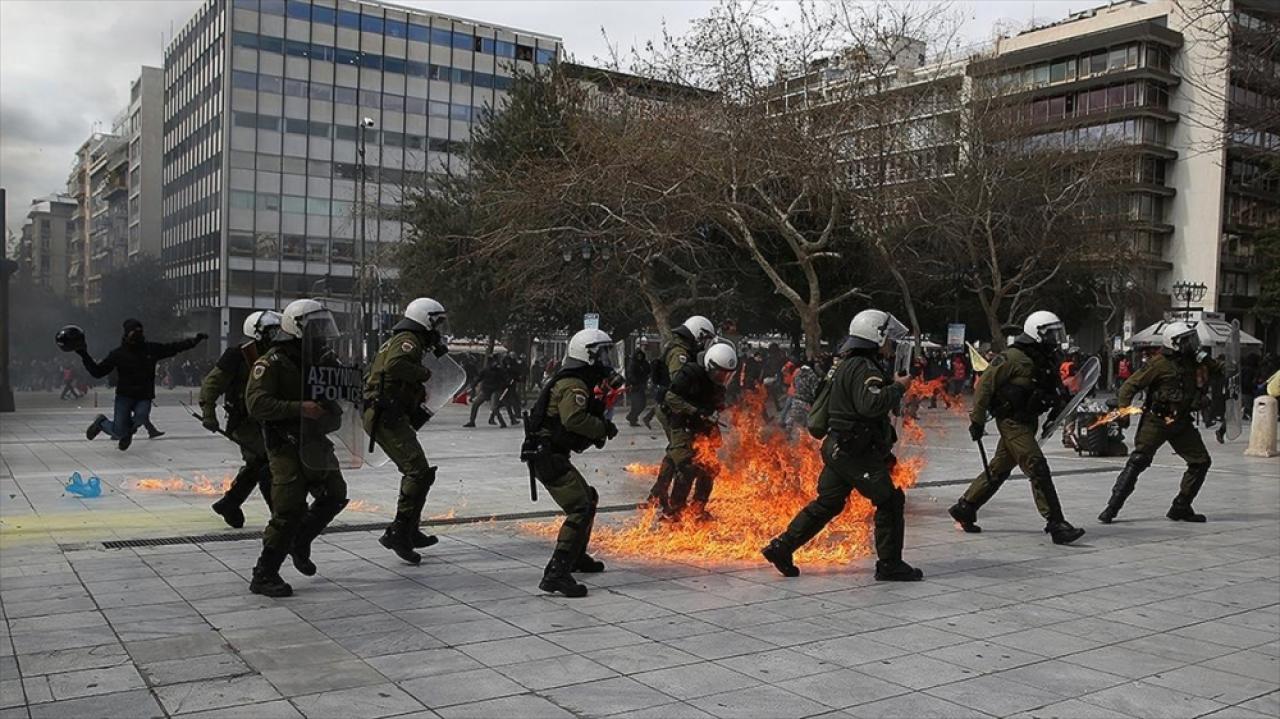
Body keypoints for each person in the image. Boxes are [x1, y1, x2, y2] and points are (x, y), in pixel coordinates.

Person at [762, 309, 924, 581]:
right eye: (886, 339)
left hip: (839, 447)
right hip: (855, 452)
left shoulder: (844, 364)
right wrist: (898, 387)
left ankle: (782, 546)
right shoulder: (864, 368)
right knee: (890, 500)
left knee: (828, 503)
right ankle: (890, 564)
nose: (889, 345)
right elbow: (870, 404)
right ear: (876, 336)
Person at [948, 311, 1087, 545]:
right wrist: (978, 421)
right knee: (1037, 466)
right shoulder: (1012, 357)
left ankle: (965, 507)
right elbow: (984, 387)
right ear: (1036, 332)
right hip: (1012, 422)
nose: (1055, 337)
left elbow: (1051, 389)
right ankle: (1056, 524)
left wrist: (1059, 403)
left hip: (1029, 421)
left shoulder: (1047, 357)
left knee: (999, 469)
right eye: (1050, 332)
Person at [244, 299, 351, 597]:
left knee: (334, 495)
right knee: (289, 509)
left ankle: (300, 541)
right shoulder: (273, 362)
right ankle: (264, 574)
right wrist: (299, 408)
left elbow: (338, 393)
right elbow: (256, 404)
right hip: (286, 445)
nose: (322, 334)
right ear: (297, 328)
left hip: (315, 442)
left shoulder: (322, 360)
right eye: (316, 328)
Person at [521, 328, 619, 597]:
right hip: (548, 456)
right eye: (601, 354)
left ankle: (576, 557)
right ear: (587, 354)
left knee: (589, 497)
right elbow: (573, 420)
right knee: (581, 506)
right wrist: (601, 428)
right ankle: (557, 572)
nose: (604, 360)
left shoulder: (576, 381)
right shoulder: (573, 384)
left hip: (552, 454)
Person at [1098, 322, 1223, 524]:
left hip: (1180, 422)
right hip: (1156, 421)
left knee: (1200, 462)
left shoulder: (1192, 361)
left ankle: (1181, 506)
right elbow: (1128, 387)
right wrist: (1124, 412)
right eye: (1186, 341)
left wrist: (1205, 358)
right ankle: (1112, 508)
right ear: (1173, 343)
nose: (1191, 345)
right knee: (1138, 461)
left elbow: (1221, 371)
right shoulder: (1158, 364)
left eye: (1192, 339)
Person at [364, 298, 451, 564]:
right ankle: (399, 533)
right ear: (425, 319)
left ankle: (409, 530)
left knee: (421, 473)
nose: (438, 327)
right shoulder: (408, 340)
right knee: (417, 471)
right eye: (436, 322)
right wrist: (423, 374)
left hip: (390, 413)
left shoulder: (408, 339)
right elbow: (395, 366)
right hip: (385, 415)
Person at [201, 311, 281, 529]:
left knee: (257, 465)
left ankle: (230, 503)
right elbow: (212, 384)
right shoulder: (238, 355)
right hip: (246, 422)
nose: (276, 336)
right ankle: (281, 516)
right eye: (271, 332)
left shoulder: (278, 354)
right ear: (256, 333)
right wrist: (208, 413)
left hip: (271, 419)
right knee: (266, 464)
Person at [77, 319, 207, 451]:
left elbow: (173, 348)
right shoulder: (118, 354)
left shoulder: (151, 349)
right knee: (118, 432)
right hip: (125, 396)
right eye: (134, 331)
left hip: (144, 395)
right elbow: (98, 372)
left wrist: (193, 341)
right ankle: (102, 423)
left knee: (141, 415)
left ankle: (128, 433)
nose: (138, 334)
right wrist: (84, 354)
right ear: (127, 334)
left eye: (140, 331)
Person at [654, 343, 737, 520]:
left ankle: (698, 508)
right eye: (720, 372)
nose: (723, 377)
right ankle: (674, 511)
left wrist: (715, 411)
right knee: (687, 466)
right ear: (709, 365)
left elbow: (714, 402)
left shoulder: (718, 384)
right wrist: (696, 411)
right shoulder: (689, 373)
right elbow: (671, 398)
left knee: (710, 467)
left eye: (726, 373)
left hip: (703, 427)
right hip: (683, 424)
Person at [647, 316, 717, 508]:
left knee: (673, 451)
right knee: (683, 456)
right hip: (672, 408)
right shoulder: (680, 353)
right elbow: (679, 386)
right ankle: (672, 505)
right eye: (704, 338)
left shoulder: (680, 347)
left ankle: (656, 494)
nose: (704, 343)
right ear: (698, 333)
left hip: (672, 407)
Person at [463, 356, 509, 428]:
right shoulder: (486, 370)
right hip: (486, 390)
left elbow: (505, 380)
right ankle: (472, 421)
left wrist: (502, 386)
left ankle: (502, 422)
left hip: (495, 390)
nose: (494, 363)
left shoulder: (499, 370)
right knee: (475, 404)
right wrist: (474, 385)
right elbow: (479, 378)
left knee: (494, 407)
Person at [625, 348, 651, 427]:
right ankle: (632, 419)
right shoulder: (633, 364)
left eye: (640, 355)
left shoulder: (644, 363)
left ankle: (631, 417)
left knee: (642, 404)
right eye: (638, 355)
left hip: (641, 386)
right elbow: (630, 374)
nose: (639, 357)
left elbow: (648, 370)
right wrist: (634, 382)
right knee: (636, 404)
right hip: (634, 387)